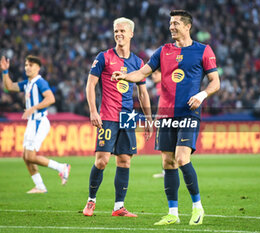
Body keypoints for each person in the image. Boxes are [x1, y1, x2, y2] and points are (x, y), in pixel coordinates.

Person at [112, 10, 220, 225]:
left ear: (187, 26)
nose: (171, 27)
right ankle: (173, 213)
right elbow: (142, 73)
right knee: (168, 163)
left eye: (176, 23)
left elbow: (215, 82)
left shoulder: (203, 50)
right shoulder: (163, 51)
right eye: (170, 23)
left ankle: (198, 208)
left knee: (181, 158)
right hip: (165, 114)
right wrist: (125, 76)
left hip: (189, 112)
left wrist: (202, 94)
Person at [83, 17, 152, 218]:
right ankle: (91, 201)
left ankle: (118, 207)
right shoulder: (104, 57)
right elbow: (90, 85)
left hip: (128, 117)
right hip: (108, 115)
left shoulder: (138, 62)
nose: (118, 34)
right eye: (115, 31)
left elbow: (143, 93)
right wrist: (93, 111)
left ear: (131, 34)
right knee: (102, 160)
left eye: (122, 31)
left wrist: (148, 119)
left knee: (124, 161)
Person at [0, 55, 71, 194]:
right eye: (26, 65)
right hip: (32, 122)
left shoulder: (39, 82)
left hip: (39, 121)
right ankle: (40, 186)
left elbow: (51, 98)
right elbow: (9, 87)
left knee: (30, 156)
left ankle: (61, 167)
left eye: (30, 65)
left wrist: (34, 108)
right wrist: (5, 72)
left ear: (38, 68)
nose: (27, 67)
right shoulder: (28, 83)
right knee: (25, 157)